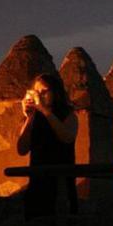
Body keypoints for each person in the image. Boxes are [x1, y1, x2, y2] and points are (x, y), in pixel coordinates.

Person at [17, 73, 78, 218]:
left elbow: (67, 137)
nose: (40, 96)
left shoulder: (68, 115)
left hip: (61, 184)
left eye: (44, 91)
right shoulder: (34, 118)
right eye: (37, 92)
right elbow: (22, 149)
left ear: (55, 92)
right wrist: (29, 117)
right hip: (37, 183)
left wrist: (45, 111)